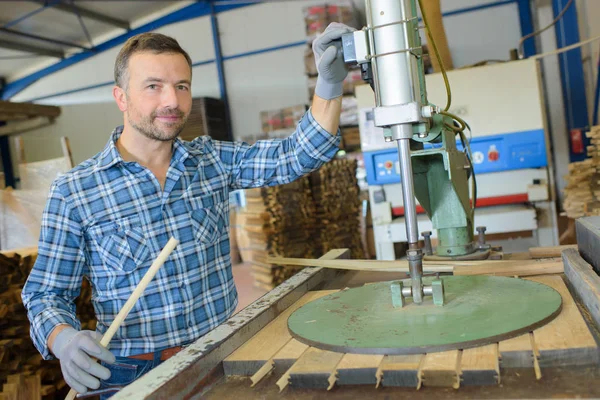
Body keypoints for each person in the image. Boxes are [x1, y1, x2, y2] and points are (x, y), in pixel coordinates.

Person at [21, 22, 354, 396]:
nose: (171, 101)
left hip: (218, 357)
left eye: (181, 86)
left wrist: (328, 82)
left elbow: (299, 154)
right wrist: (62, 339)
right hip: (129, 373)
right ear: (121, 97)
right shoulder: (76, 191)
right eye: (153, 86)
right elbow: (46, 294)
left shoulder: (210, 161)